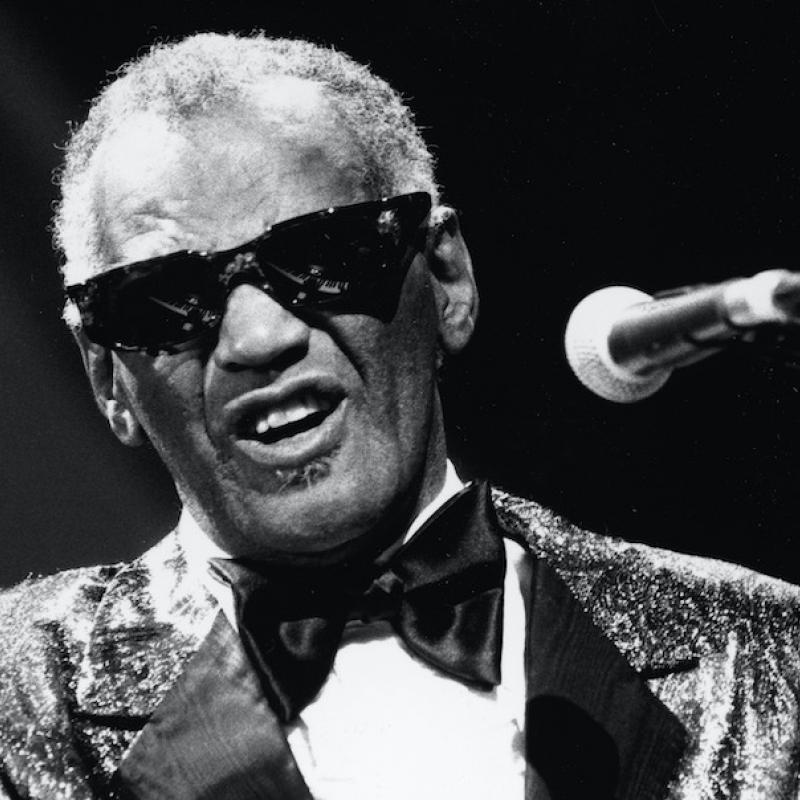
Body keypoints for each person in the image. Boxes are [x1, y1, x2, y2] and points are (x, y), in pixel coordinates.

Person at [1, 31, 799, 800]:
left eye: (317, 255)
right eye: (165, 299)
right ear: (107, 375)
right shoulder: (15, 705)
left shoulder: (769, 657)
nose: (259, 338)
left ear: (446, 278)